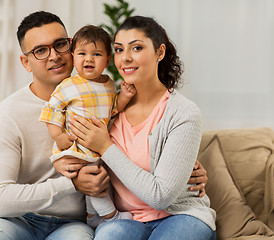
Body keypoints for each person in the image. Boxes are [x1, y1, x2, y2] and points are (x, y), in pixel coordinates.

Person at [0, 11, 208, 240]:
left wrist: (183, 166)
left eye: (61, 45)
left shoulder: (105, 100)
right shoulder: (8, 113)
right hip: (17, 220)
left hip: (74, 224)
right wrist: (71, 183)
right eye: (40, 51)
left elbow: (146, 141)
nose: (54, 55)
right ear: (25, 62)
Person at [65, 16, 217, 239]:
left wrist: (105, 147)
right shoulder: (108, 107)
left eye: (136, 48)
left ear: (160, 52)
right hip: (125, 219)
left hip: (181, 216)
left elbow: (161, 197)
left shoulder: (183, 112)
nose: (125, 58)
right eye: (118, 49)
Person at [39, 25, 135, 227]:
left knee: (100, 176)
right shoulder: (68, 85)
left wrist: (124, 97)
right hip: (78, 146)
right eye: (82, 53)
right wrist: (58, 137)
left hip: (98, 146)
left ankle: (92, 216)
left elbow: (113, 109)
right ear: (73, 56)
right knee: (95, 177)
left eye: (97, 54)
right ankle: (111, 217)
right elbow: (51, 111)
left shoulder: (109, 84)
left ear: (107, 60)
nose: (88, 59)